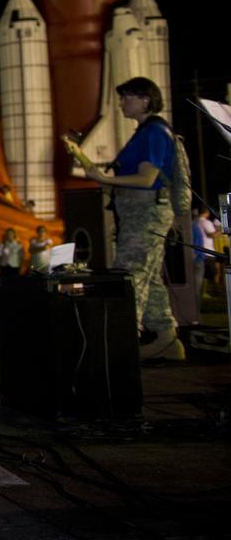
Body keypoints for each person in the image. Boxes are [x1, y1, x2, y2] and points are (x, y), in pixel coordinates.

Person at [65, 76, 184, 361]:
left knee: (129, 277)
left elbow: (147, 178)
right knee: (149, 278)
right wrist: (88, 165)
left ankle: (121, 345)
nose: (121, 103)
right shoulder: (145, 132)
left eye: (126, 97)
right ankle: (167, 341)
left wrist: (106, 177)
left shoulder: (153, 133)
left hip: (145, 215)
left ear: (145, 100)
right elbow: (124, 181)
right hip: (138, 214)